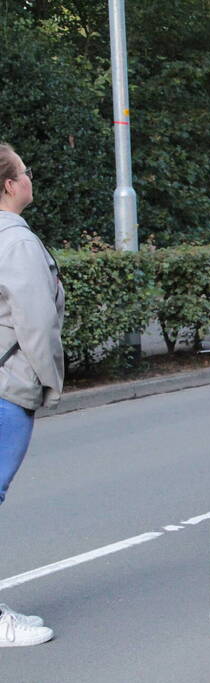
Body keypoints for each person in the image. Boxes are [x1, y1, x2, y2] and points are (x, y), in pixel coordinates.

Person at [0, 143, 62, 646]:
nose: (29, 176)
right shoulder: (16, 242)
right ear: (8, 184)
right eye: (24, 170)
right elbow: (37, 323)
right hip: (5, 387)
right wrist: (49, 381)